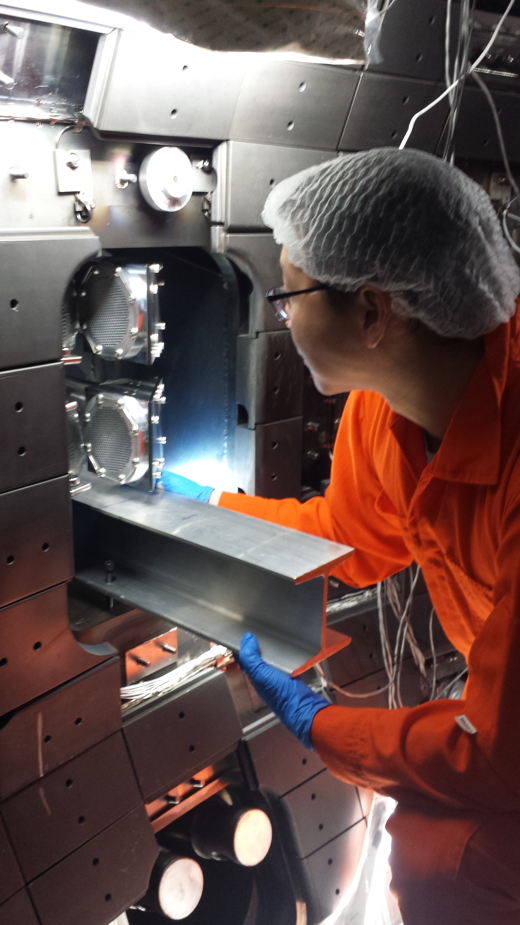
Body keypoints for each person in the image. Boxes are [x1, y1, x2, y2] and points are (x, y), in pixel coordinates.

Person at [162, 148, 520, 924]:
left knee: (439, 857)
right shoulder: (385, 405)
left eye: (290, 294)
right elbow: (348, 537)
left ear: (371, 312)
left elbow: (497, 751)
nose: (282, 316)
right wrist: (207, 509)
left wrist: (321, 723)